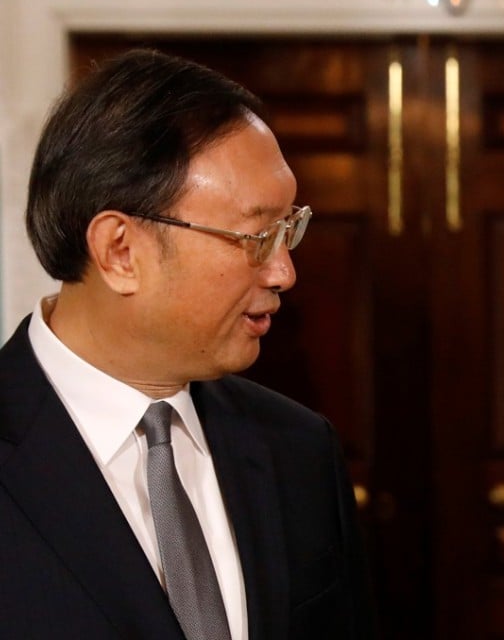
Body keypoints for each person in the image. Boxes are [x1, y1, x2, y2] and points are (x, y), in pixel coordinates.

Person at [0, 49, 374, 639]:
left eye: (289, 229)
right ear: (120, 250)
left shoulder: (298, 450)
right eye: (256, 237)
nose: (283, 272)